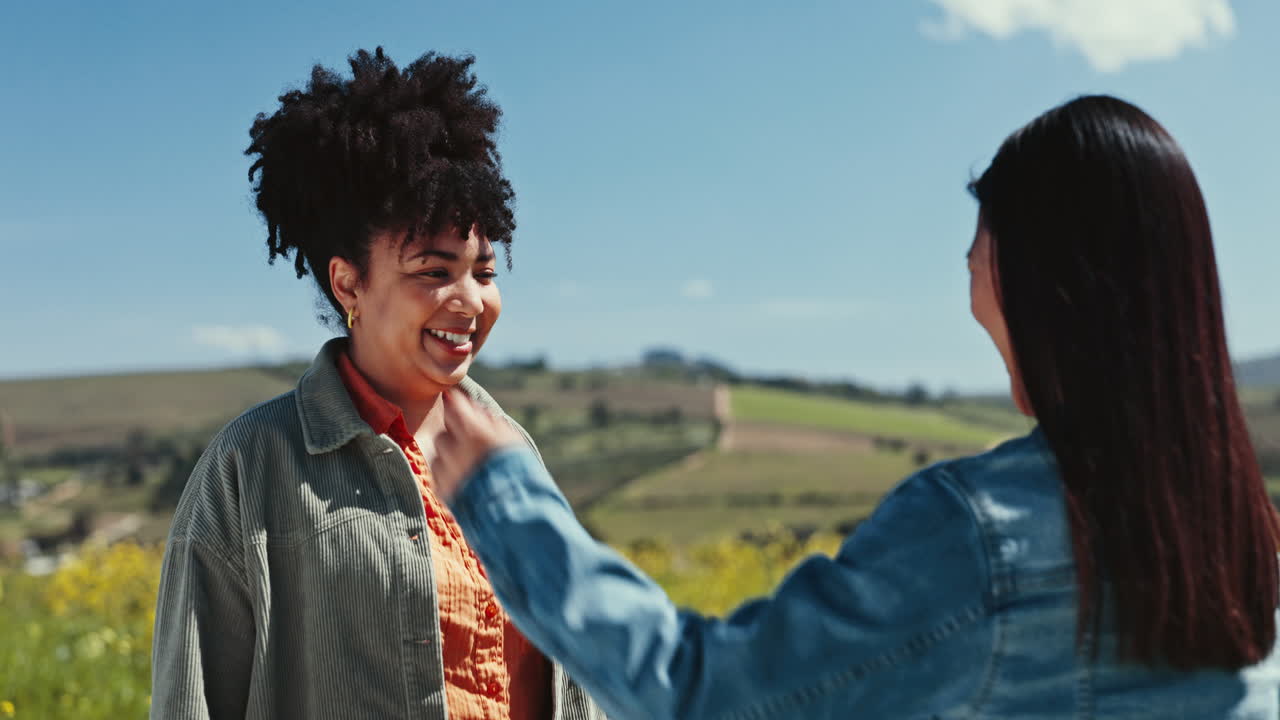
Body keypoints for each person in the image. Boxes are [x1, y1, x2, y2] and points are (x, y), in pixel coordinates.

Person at [430, 95, 1280, 719]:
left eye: (980, 250)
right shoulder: (1244, 537)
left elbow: (705, 696)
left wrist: (504, 496)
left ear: (1039, 285)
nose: (968, 271)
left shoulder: (983, 539)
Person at [150, 47, 606, 720]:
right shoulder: (249, 467)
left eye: (483, 272)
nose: (469, 300)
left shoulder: (513, 452)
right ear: (348, 283)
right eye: (433, 271)